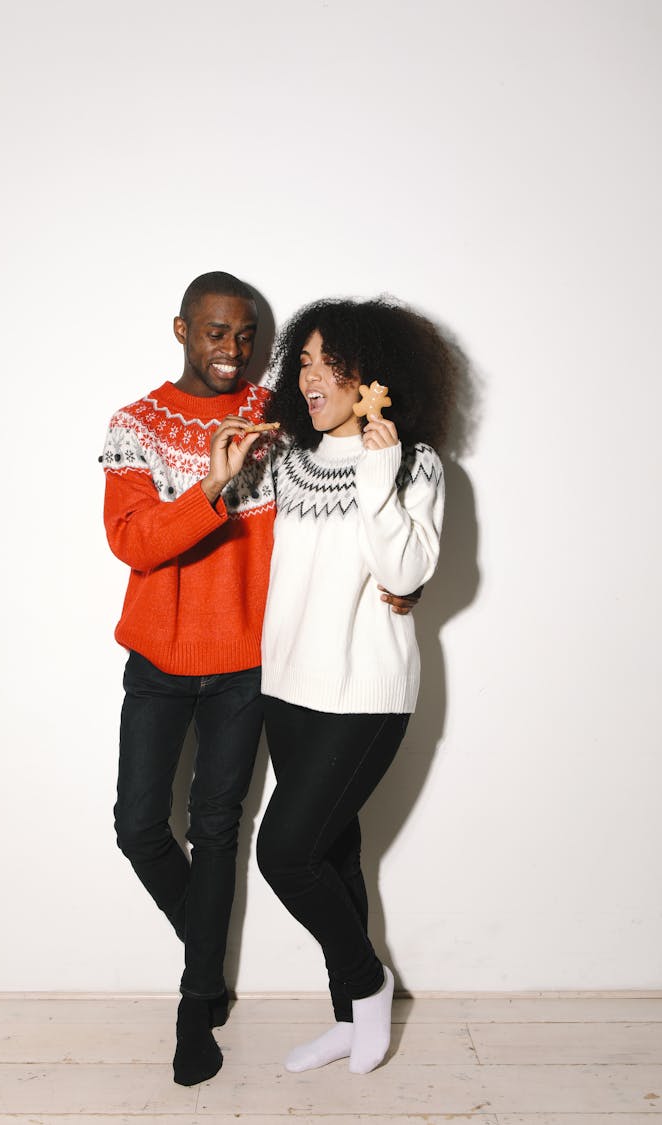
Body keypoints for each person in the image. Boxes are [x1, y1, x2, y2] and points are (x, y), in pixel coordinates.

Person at [100, 273, 417, 1087]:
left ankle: (196, 999)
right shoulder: (136, 425)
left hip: (247, 668)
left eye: (246, 338)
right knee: (139, 825)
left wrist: (406, 579)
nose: (231, 351)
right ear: (180, 328)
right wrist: (210, 487)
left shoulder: (282, 428)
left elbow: (342, 507)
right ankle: (205, 941)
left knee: (217, 831)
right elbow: (134, 542)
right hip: (159, 662)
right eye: (214, 332)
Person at [252, 297, 455, 1075]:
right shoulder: (290, 459)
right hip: (289, 688)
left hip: (365, 695)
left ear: (372, 374)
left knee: (284, 852)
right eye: (301, 360)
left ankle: (369, 987)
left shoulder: (415, 462)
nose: (308, 375)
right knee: (332, 855)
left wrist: (379, 463)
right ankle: (348, 1017)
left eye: (326, 360)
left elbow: (405, 571)